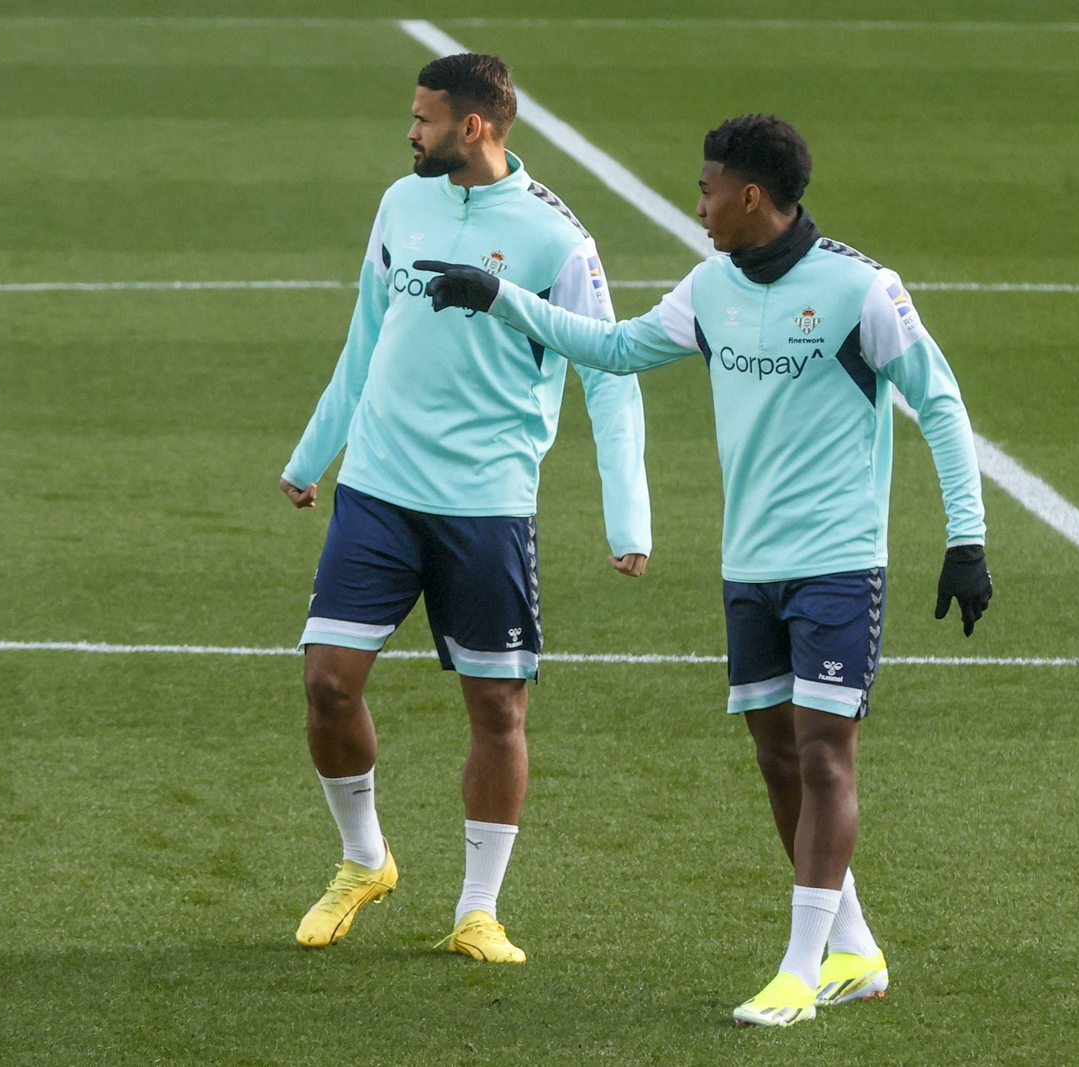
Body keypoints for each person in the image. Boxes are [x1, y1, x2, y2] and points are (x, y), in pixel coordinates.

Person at [414, 113, 992, 1022]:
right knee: (775, 755)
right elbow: (614, 347)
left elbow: (943, 403)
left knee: (824, 753)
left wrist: (966, 538)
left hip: (839, 562)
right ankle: (855, 950)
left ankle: (800, 971)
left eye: (707, 188)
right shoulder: (710, 287)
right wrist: (499, 299)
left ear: (750, 195)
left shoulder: (860, 289)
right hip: (748, 563)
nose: (699, 204)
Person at [281, 54, 652, 963]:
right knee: (328, 680)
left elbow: (609, 369)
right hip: (377, 485)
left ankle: (478, 908)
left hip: (485, 503)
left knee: (497, 707)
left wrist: (628, 518)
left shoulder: (555, 238)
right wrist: (311, 452)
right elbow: (366, 334)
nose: (410, 131)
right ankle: (364, 859)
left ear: (473, 127)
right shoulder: (399, 205)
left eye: (423, 118)